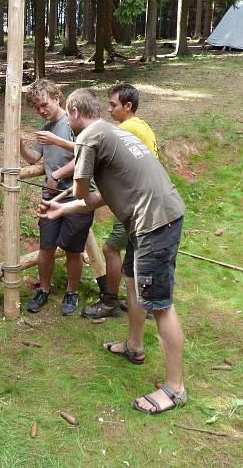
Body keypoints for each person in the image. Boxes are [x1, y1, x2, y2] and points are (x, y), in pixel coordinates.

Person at [38, 88, 187, 414]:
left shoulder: (89, 136)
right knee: (133, 280)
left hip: (154, 221)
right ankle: (134, 346)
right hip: (153, 216)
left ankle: (175, 388)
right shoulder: (109, 131)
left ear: (74, 111)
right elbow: (99, 197)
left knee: (160, 304)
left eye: (69, 116)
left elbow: (80, 190)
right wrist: (60, 210)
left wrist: (62, 197)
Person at [82, 83, 158, 319]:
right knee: (136, 253)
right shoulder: (140, 126)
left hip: (136, 202)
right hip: (146, 200)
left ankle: (109, 302)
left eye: (113, 105)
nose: (109, 109)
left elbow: (97, 154)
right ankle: (142, 304)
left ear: (128, 106)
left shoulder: (127, 129)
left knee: (111, 248)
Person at [20, 79, 95, 315]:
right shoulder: (46, 127)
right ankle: (43, 289)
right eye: (37, 108)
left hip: (76, 194)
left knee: (73, 249)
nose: (42, 110)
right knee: (46, 246)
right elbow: (34, 158)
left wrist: (56, 175)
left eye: (44, 104)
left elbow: (84, 155)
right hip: (51, 195)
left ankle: (71, 293)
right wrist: (20, 146)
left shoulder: (72, 123)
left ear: (56, 98)